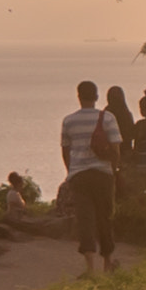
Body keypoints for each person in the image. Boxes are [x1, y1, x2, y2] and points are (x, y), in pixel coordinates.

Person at [60, 80, 121, 274]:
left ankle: (89, 268)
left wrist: (71, 172)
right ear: (96, 97)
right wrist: (114, 169)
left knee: (85, 219)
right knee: (105, 217)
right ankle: (108, 263)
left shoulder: (68, 121)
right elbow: (116, 149)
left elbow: (65, 150)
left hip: (79, 175)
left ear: (79, 97)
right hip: (103, 174)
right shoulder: (108, 118)